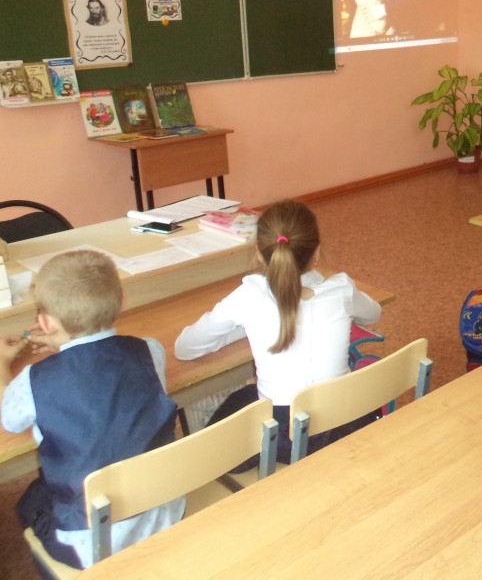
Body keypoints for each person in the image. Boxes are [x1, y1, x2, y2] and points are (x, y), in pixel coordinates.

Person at [0, 250, 181, 569]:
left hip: (92, 545)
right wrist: (65, 344)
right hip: (164, 513)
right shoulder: (150, 351)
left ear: (45, 323)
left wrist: (2, 363)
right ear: (122, 300)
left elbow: (10, 420)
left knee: (30, 502)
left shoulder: (32, 380)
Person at [175, 199, 382, 463]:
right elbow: (373, 313)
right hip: (345, 424)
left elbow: (185, 348)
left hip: (282, 438)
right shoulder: (342, 289)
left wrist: (242, 328)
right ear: (316, 252)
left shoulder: (249, 295)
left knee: (236, 409)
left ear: (259, 254)